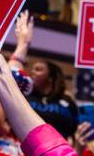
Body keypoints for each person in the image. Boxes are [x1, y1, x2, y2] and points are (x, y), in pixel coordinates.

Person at [9, 10, 79, 140]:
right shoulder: (26, 96)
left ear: (51, 77)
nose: (33, 73)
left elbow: (74, 132)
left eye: (39, 69)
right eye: (33, 69)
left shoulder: (67, 102)